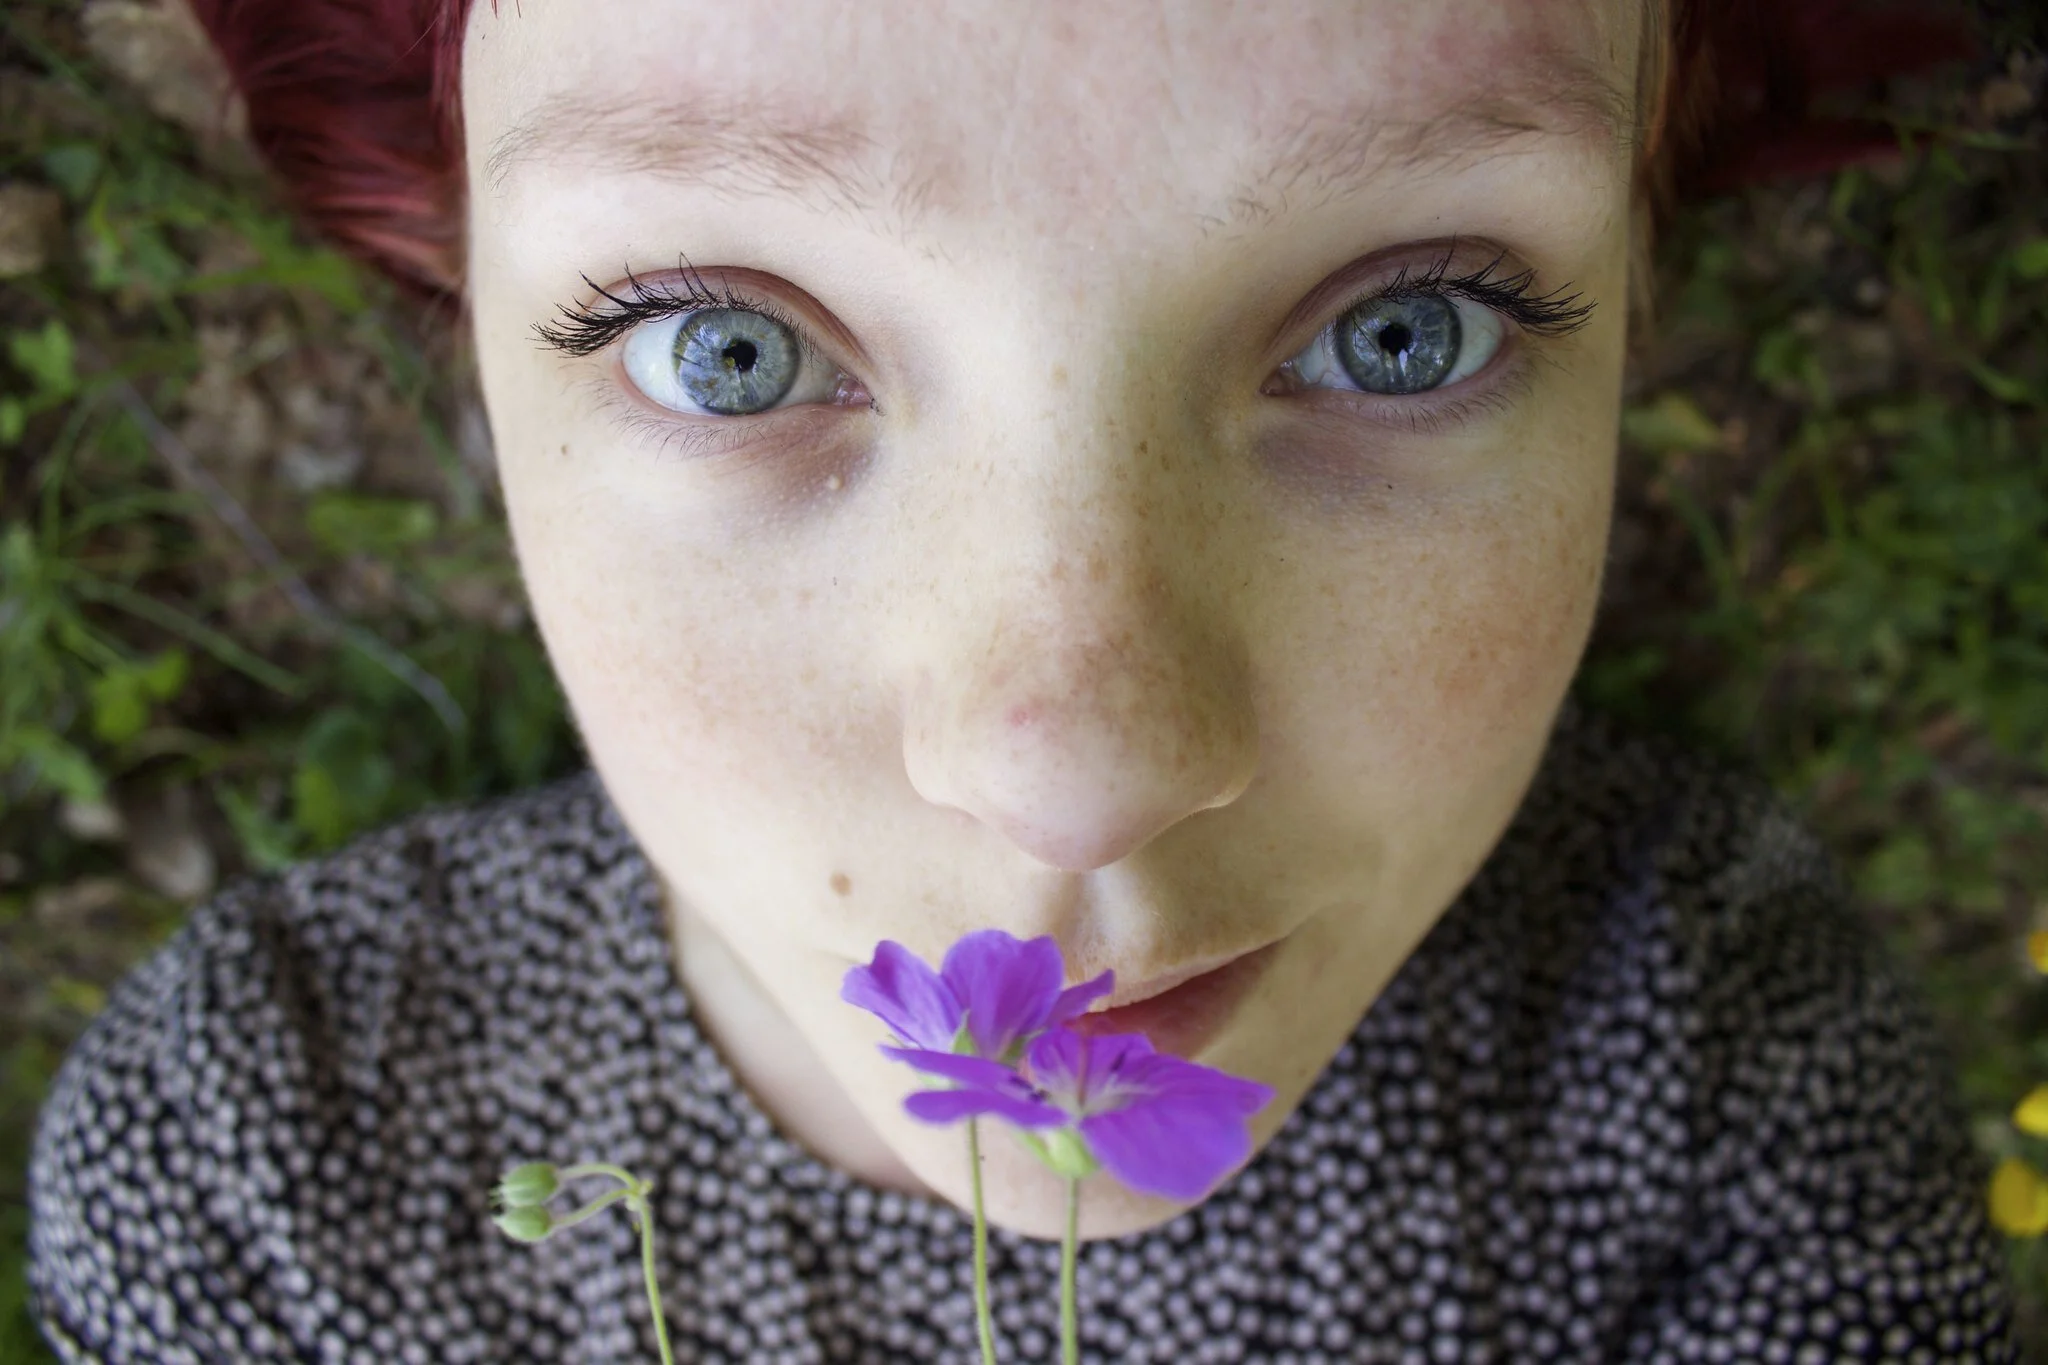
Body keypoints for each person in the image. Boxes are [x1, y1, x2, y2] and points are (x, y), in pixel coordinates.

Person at [28, 0, 2021, 1360]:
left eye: (1404, 330)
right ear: (466, 312)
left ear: (1637, 302)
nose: (1078, 782)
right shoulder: (259, 1151)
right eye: (728, 349)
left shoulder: (1718, 1061)